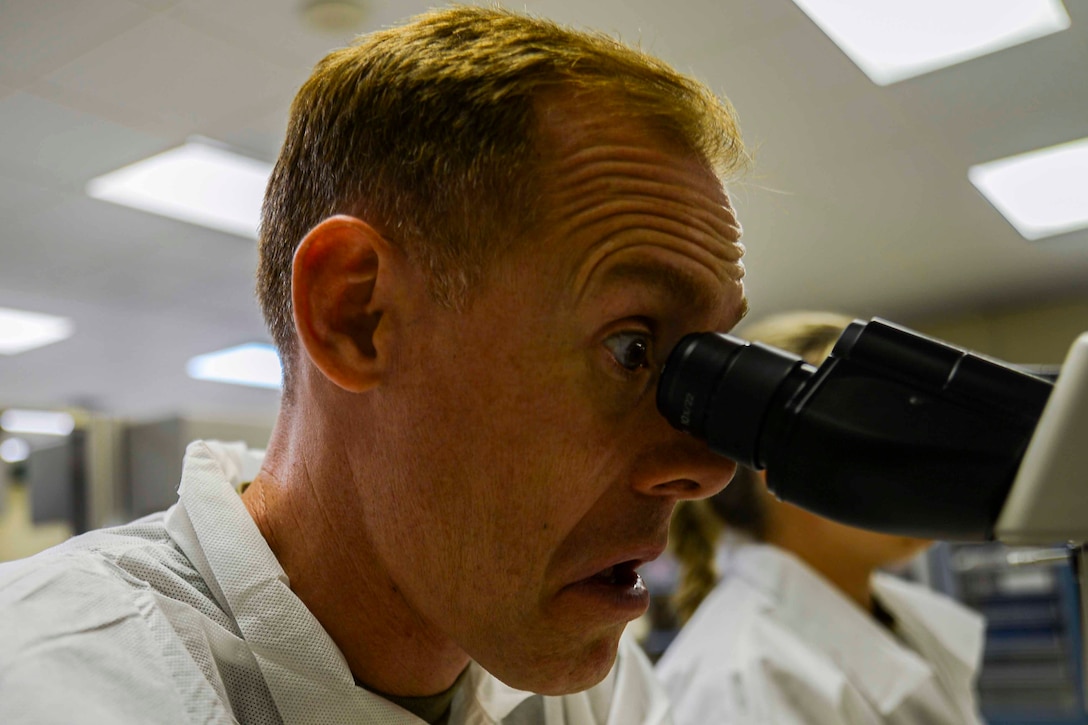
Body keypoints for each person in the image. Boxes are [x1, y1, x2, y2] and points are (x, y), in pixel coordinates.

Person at [0, 6, 750, 724]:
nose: (707, 468)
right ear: (355, 316)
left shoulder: (604, 689)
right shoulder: (48, 685)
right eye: (632, 349)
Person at [655, 311, 987, 725]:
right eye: (878, 436)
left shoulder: (893, 617)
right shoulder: (744, 682)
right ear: (782, 462)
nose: (921, 464)